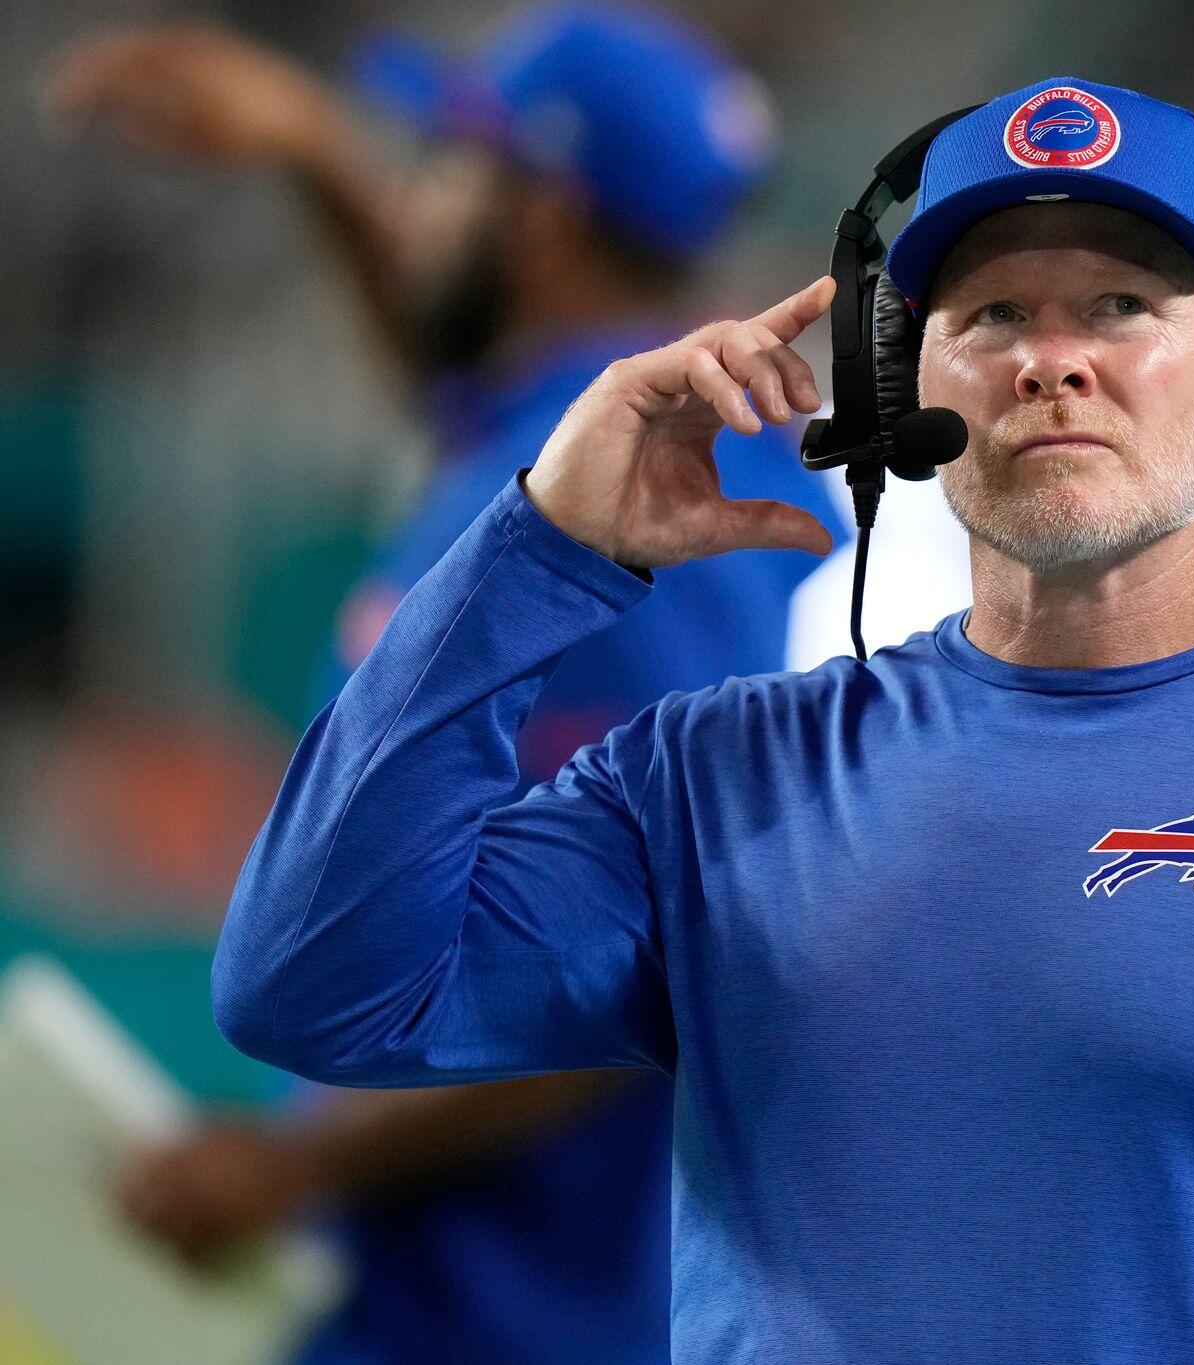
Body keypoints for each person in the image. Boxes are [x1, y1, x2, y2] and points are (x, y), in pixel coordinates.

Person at [214, 76, 1194, 1363]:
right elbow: (311, 987)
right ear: (903, 390)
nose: (1051, 359)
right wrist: (540, 546)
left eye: (1124, 305)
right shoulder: (717, 780)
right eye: (992, 315)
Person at [51, 7, 850, 1362]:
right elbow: (452, 364)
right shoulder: (570, 431)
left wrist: (300, 1169)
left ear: (539, 220)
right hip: (450, 1281)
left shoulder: (655, 510)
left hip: (521, 1304)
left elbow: (658, 942)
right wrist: (314, 153)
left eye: (444, 168)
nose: (414, 201)